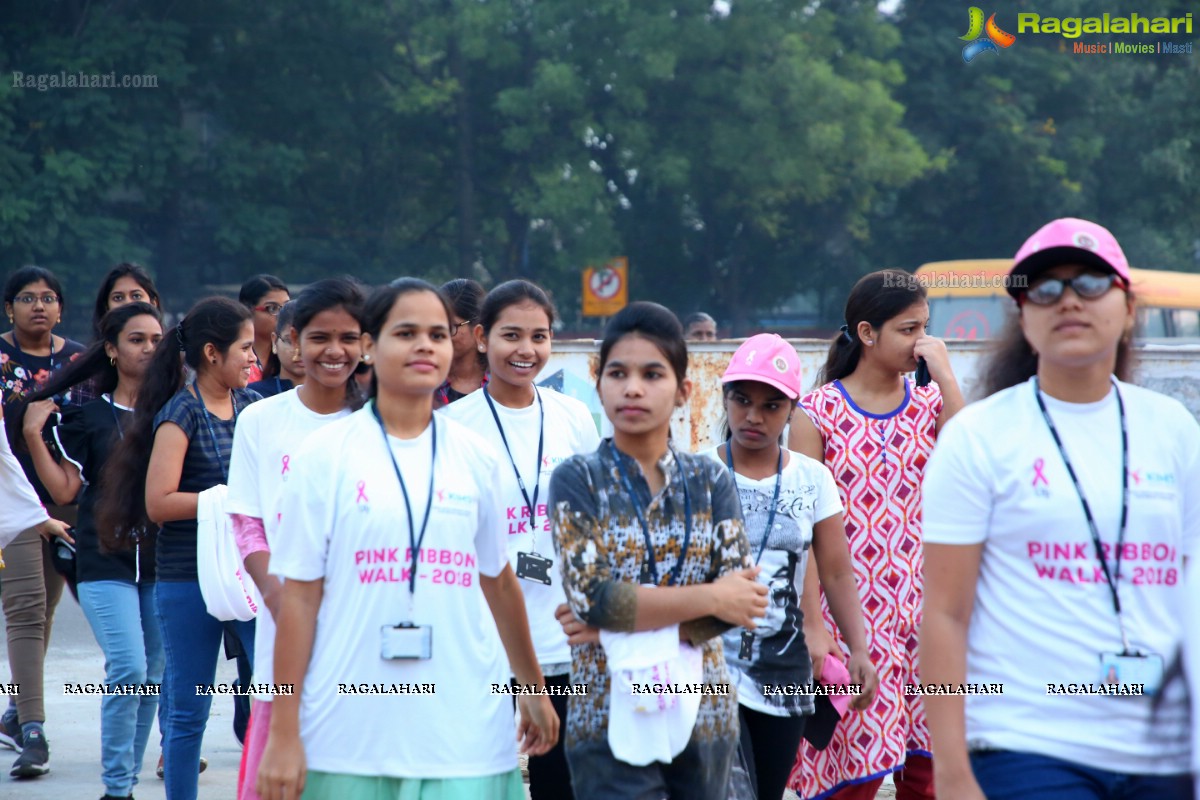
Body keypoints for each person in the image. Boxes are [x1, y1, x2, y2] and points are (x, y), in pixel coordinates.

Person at [920, 218, 1198, 800]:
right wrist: (951, 773)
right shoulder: (978, 437)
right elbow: (944, 616)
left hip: (1163, 751)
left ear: (1128, 309)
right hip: (1028, 746)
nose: (1068, 299)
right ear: (1024, 317)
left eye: (1090, 282)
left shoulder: (1172, 429)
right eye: (1044, 288)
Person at [255, 279, 558, 800]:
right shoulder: (323, 457)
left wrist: (532, 689)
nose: (425, 345)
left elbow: (500, 583)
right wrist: (284, 732)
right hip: (347, 729)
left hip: (464, 731)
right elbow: (299, 601)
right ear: (370, 345)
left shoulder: (475, 456)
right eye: (406, 332)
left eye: (438, 334)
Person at [548, 301, 768, 800]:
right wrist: (711, 597)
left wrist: (615, 626)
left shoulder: (709, 479)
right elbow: (595, 600)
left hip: (705, 718)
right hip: (604, 715)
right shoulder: (577, 480)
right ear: (598, 381)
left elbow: (742, 606)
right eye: (618, 373)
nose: (633, 388)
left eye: (652, 374)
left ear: (684, 390)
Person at [787, 269, 964, 800]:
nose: (923, 343)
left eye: (926, 328)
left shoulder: (932, 406)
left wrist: (949, 379)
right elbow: (802, 532)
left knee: (929, 774)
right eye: (909, 330)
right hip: (852, 626)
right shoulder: (817, 413)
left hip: (924, 618)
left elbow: (968, 468)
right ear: (867, 334)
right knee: (852, 778)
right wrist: (815, 627)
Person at [439, 279, 599, 799]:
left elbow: (597, 514)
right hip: (480, 639)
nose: (526, 350)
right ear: (482, 338)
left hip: (561, 635)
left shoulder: (573, 416)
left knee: (561, 784)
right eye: (511, 335)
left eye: (539, 336)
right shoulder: (451, 426)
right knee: (479, 781)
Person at [96, 296, 259, 800]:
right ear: (212, 353)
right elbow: (159, 502)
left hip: (251, 575)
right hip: (188, 580)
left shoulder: (254, 410)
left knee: (273, 701)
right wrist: (228, 500)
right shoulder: (180, 413)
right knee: (187, 711)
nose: (255, 360)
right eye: (246, 349)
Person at [703, 333, 878, 800]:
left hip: (785, 670)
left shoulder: (812, 478)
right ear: (725, 398)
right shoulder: (695, 474)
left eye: (771, 404)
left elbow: (837, 571)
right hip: (710, 667)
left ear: (791, 409)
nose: (754, 416)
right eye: (742, 400)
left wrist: (857, 648)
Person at [18, 302, 165, 798]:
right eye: (137, 339)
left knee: (155, 675)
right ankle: (116, 787)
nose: (148, 348)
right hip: (104, 559)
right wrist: (33, 434)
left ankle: (122, 784)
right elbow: (64, 491)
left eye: (156, 340)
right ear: (111, 350)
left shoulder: (174, 413)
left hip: (166, 564)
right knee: (129, 667)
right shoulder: (89, 416)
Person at [226, 278, 365, 800]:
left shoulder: (378, 422)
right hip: (281, 627)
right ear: (292, 341)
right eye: (320, 337)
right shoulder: (261, 419)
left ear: (366, 344)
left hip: (361, 629)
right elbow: (246, 522)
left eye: (349, 338)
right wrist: (284, 603)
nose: (335, 351)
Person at [0, 265, 87, 778]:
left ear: (61, 308)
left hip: (64, 498)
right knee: (27, 609)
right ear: (9, 308)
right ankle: (34, 727)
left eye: (49, 297)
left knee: (47, 606)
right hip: (12, 501)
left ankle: (15, 711)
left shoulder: (79, 360)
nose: (39, 305)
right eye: (27, 298)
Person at [437, 278, 488, 405]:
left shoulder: (503, 382)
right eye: (437, 327)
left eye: (451, 327)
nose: (441, 336)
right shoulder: (426, 383)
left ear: (478, 329)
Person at [239, 275, 290, 384]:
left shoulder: (292, 355)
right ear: (247, 310)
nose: (281, 315)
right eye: (272, 308)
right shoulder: (236, 358)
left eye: (286, 307)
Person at [248, 301, 305, 398]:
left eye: (308, 341)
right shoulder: (252, 395)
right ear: (274, 342)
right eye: (290, 341)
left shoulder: (335, 395)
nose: (299, 351)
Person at [90, 263, 162, 337]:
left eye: (136, 296)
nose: (128, 303)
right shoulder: (81, 348)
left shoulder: (170, 347)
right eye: (118, 298)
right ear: (106, 307)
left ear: (153, 303)